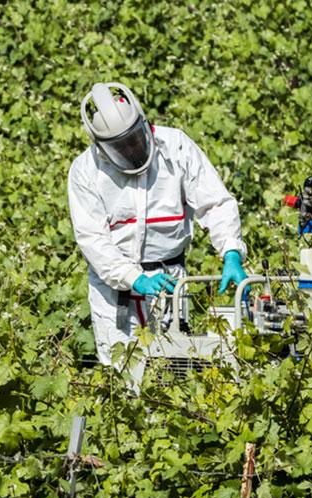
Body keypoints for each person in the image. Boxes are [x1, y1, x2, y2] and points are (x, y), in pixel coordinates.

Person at [68, 81, 247, 385]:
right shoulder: (85, 171)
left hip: (169, 280)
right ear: (100, 147)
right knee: (124, 376)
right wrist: (133, 277)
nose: (131, 151)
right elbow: (93, 240)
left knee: (174, 372)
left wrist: (231, 251)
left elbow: (215, 202)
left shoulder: (176, 147)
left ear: (145, 124)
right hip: (115, 290)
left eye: (134, 140)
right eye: (119, 147)